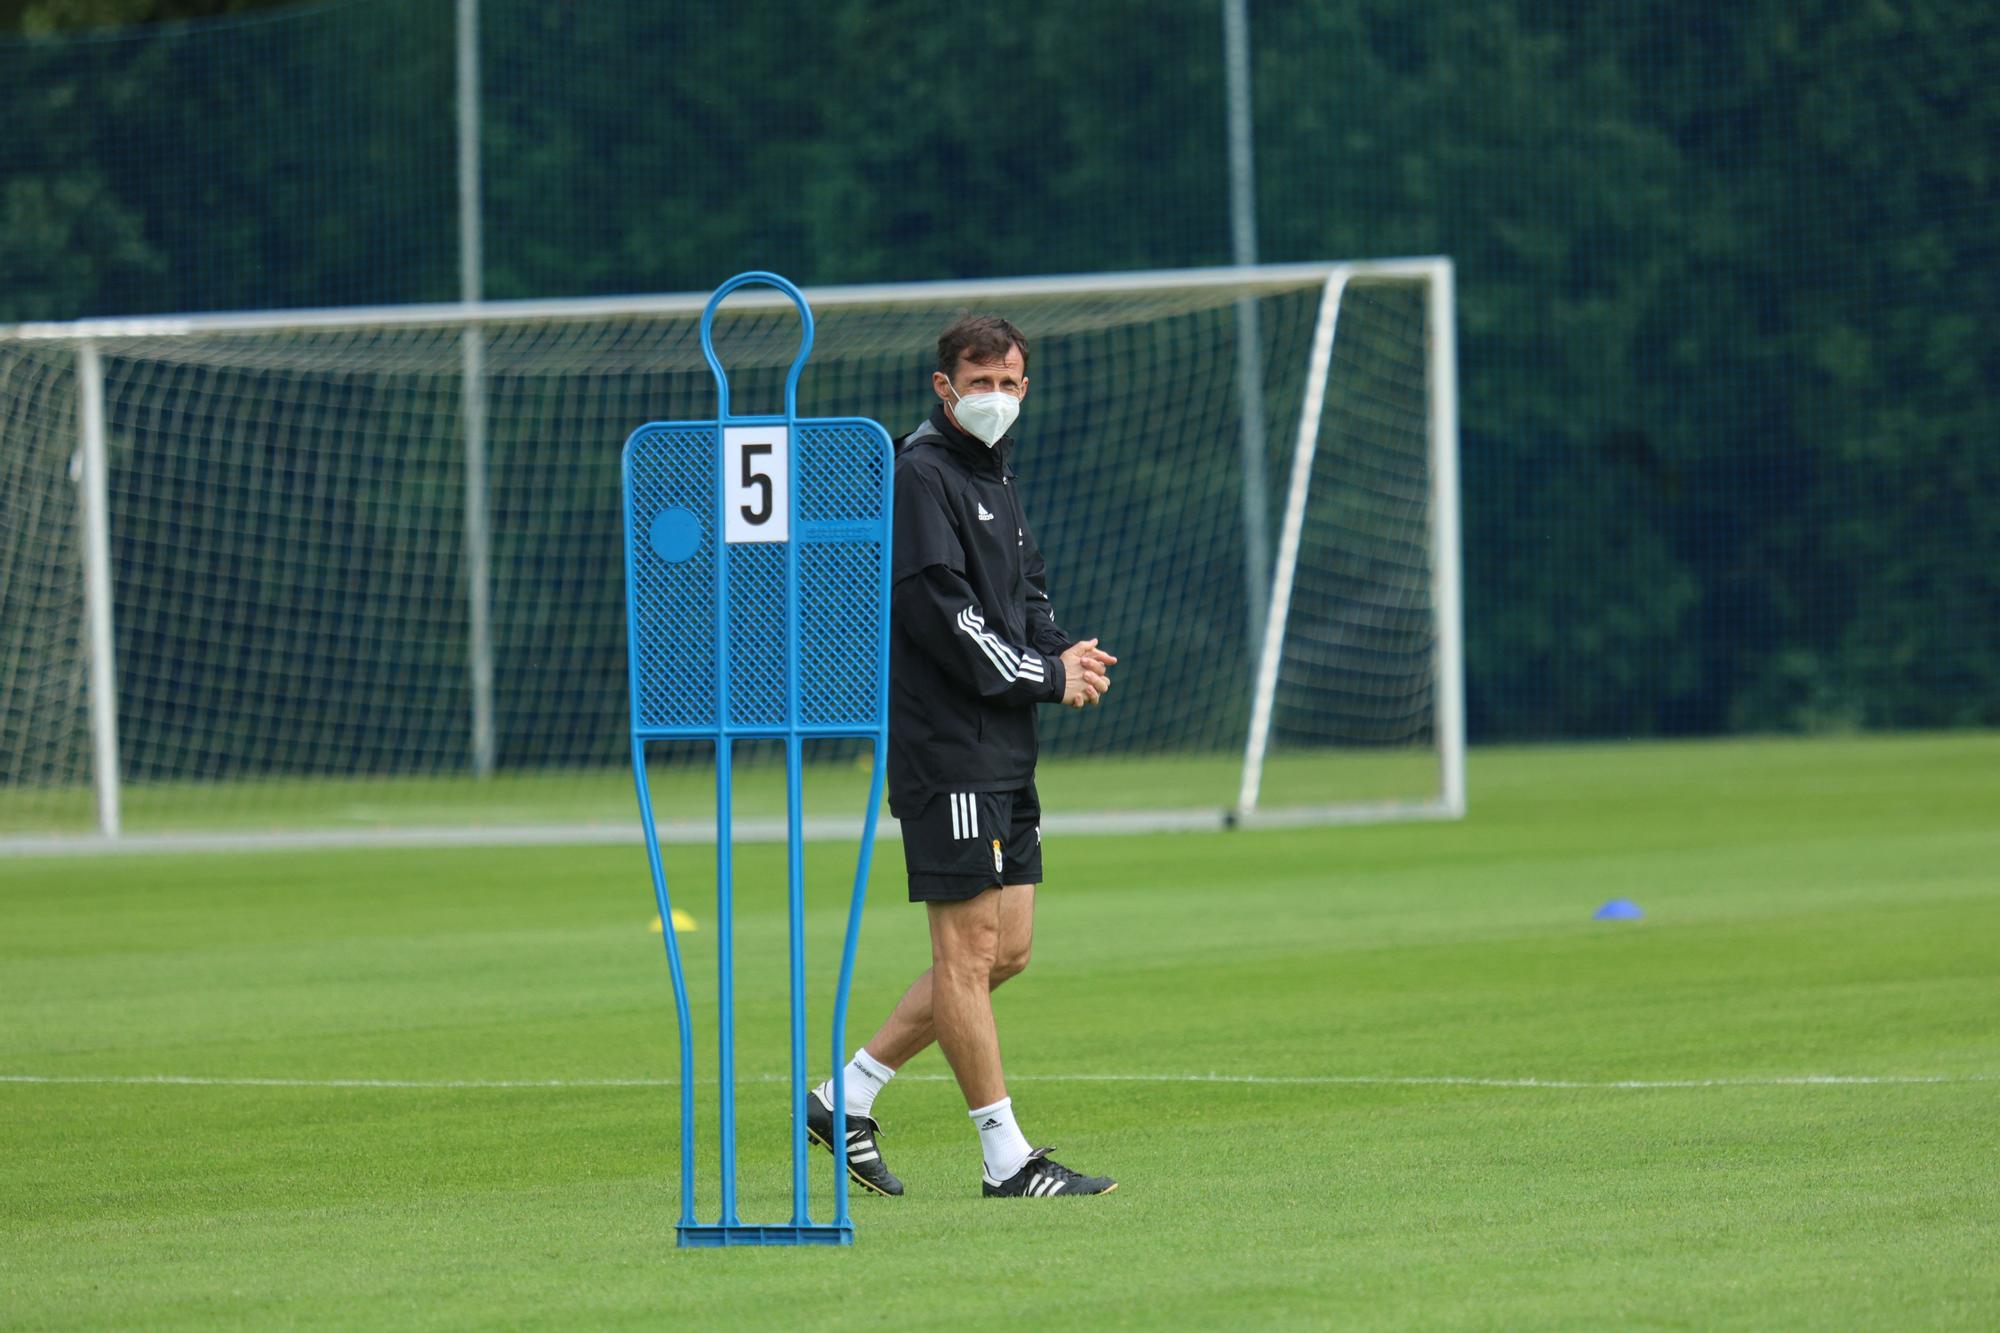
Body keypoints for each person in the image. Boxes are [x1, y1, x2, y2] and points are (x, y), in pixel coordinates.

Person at [804, 314, 1120, 1199]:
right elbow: (946, 618)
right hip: (947, 752)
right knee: (965, 953)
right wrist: (1041, 673)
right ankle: (1006, 1160)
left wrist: (1067, 654)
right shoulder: (920, 475)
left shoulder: (995, 476)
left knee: (1005, 951)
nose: (997, 398)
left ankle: (844, 1096)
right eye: (980, 382)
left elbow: (1025, 594)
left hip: (1003, 749)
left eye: (1011, 383)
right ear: (944, 387)